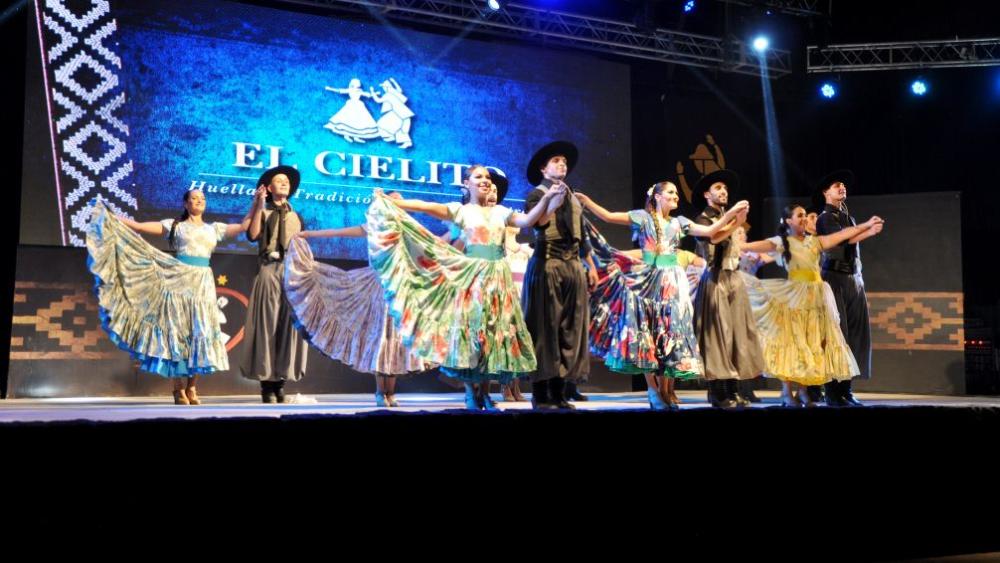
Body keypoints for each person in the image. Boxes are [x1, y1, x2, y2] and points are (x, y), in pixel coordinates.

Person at [366, 165, 565, 410]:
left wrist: (547, 197)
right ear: (467, 183)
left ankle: (485, 393)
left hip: (498, 279)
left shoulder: (501, 212)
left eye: (487, 177)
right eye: (478, 177)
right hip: (473, 279)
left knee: (494, 335)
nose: (484, 181)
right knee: (473, 335)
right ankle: (472, 394)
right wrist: (399, 203)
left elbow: (527, 220)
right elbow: (426, 206)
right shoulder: (460, 211)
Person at [576, 181, 748, 410]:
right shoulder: (643, 217)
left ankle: (667, 390)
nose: (676, 196)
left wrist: (733, 216)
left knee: (671, 332)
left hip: (673, 281)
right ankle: (653, 390)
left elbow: (709, 232)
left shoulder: (680, 222)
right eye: (671, 192)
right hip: (647, 280)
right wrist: (587, 202)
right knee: (646, 332)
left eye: (676, 193)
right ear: (657, 196)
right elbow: (608, 216)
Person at [86, 189, 257, 405]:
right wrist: (111, 217)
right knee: (178, 331)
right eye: (194, 198)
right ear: (185, 203)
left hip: (202, 285)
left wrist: (257, 202)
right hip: (178, 282)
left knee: (199, 330)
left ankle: (192, 387)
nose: (199, 201)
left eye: (203, 198)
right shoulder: (175, 225)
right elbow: (139, 227)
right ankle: (178, 388)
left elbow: (244, 226)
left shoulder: (214, 229)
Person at [739, 204, 883, 407]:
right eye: (800, 215)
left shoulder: (814, 242)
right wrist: (738, 246)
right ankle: (787, 392)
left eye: (806, 215)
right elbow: (760, 245)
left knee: (811, 342)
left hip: (816, 297)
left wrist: (866, 226)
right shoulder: (784, 242)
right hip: (795, 296)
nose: (805, 218)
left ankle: (804, 391)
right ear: (789, 221)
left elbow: (842, 235)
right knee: (792, 342)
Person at [240, 166, 309, 404]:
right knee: (267, 326)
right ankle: (266, 385)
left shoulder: (297, 216)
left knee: (288, 329)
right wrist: (259, 203)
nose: (284, 183)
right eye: (279, 181)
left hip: (292, 274)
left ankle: (281, 382)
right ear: (269, 188)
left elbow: (302, 248)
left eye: (287, 182)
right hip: (269, 270)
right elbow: (252, 234)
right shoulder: (265, 211)